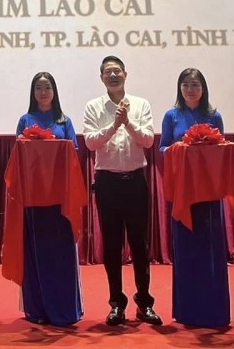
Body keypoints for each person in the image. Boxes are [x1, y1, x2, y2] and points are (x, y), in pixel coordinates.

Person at [82, 55, 160, 326]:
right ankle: (116, 303)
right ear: (101, 77)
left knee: (140, 245)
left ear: (125, 74)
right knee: (112, 246)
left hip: (136, 181)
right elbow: (91, 144)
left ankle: (144, 303)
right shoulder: (93, 107)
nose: (113, 76)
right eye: (108, 72)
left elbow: (148, 140)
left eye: (117, 71)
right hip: (108, 183)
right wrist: (114, 124)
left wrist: (127, 122)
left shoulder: (141, 105)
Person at [159, 68, 230, 327]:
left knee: (211, 250)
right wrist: (180, 148)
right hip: (184, 192)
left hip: (209, 192)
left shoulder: (214, 115)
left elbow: (222, 149)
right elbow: (163, 148)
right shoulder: (171, 115)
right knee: (186, 249)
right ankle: (188, 311)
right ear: (180, 88)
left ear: (203, 88)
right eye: (186, 84)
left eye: (196, 84)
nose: (191, 89)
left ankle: (215, 311)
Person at [14, 71, 82, 326]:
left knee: (60, 254)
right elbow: (18, 156)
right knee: (35, 253)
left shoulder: (64, 121)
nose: (43, 92)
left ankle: (64, 308)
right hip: (33, 199)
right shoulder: (25, 120)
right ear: (33, 93)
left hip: (59, 198)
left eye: (47, 87)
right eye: (38, 88)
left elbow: (73, 153)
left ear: (54, 91)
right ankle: (37, 309)